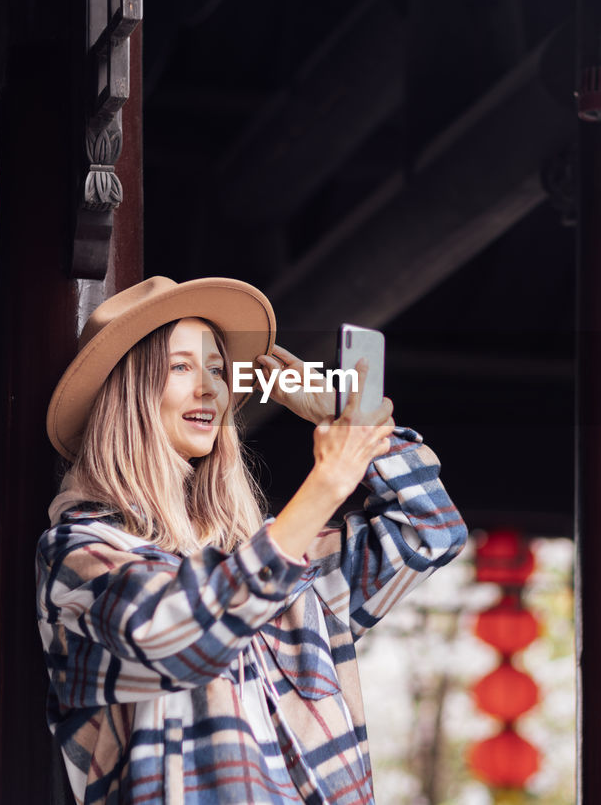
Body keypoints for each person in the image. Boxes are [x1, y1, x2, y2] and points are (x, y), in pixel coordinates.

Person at [36, 276, 467, 804]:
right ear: (128, 391)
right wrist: (327, 484)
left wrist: (339, 413)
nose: (209, 388)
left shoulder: (282, 565)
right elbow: (183, 637)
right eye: (180, 367)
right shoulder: (82, 552)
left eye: (218, 370)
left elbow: (430, 531)